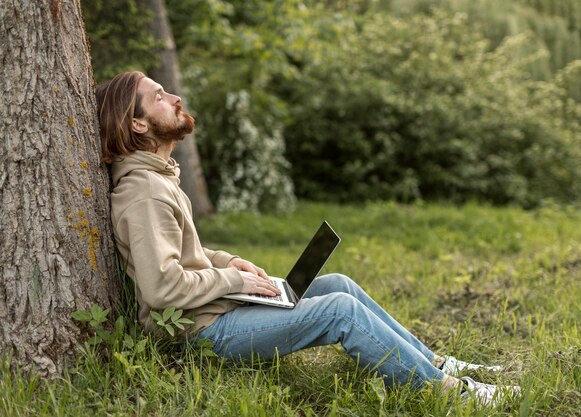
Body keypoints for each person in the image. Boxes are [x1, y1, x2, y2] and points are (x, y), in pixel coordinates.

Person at [95, 71, 520, 408]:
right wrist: (235, 283)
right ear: (138, 122)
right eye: (160, 96)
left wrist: (228, 261)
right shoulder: (145, 192)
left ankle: (435, 362)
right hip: (201, 333)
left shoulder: (157, 178)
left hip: (212, 309)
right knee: (339, 311)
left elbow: (182, 251)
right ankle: (449, 393)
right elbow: (162, 287)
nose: (174, 99)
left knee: (338, 285)